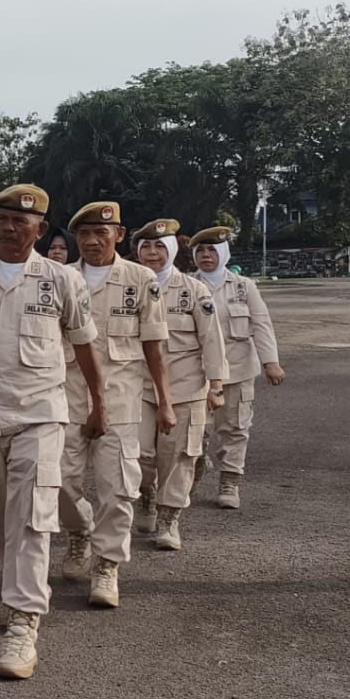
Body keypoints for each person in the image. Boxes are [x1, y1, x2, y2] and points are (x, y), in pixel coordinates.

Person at [0, 184, 103, 680]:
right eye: (2, 218)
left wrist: (99, 401)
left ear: (40, 229)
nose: (9, 226)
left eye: (21, 221)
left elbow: (85, 346)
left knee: (28, 518)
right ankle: (79, 521)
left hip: (42, 414)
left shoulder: (62, 281)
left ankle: (24, 620)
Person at [56, 202, 175, 609]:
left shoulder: (141, 279)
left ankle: (106, 564)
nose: (91, 241)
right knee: (59, 484)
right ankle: (79, 532)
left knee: (117, 489)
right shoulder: (62, 277)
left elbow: (154, 346)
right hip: (67, 399)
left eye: (101, 233)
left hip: (123, 401)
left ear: (119, 236)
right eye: (84, 233)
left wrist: (164, 402)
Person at [131, 220, 228, 550]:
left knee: (178, 457)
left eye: (159, 246)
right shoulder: (128, 286)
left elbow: (211, 339)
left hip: (185, 388)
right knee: (138, 454)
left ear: (171, 250)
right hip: (138, 388)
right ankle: (145, 495)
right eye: (146, 246)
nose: (152, 253)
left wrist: (216, 384)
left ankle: (168, 518)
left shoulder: (193, 290)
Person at [190, 226, 285, 509]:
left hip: (238, 369)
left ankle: (229, 482)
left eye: (212, 251)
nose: (206, 256)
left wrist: (271, 362)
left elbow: (261, 324)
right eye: (201, 251)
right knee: (194, 429)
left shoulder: (244, 286)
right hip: (197, 372)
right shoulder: (186, 285)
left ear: (223, 253)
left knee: (235, 428)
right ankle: (193, 470)